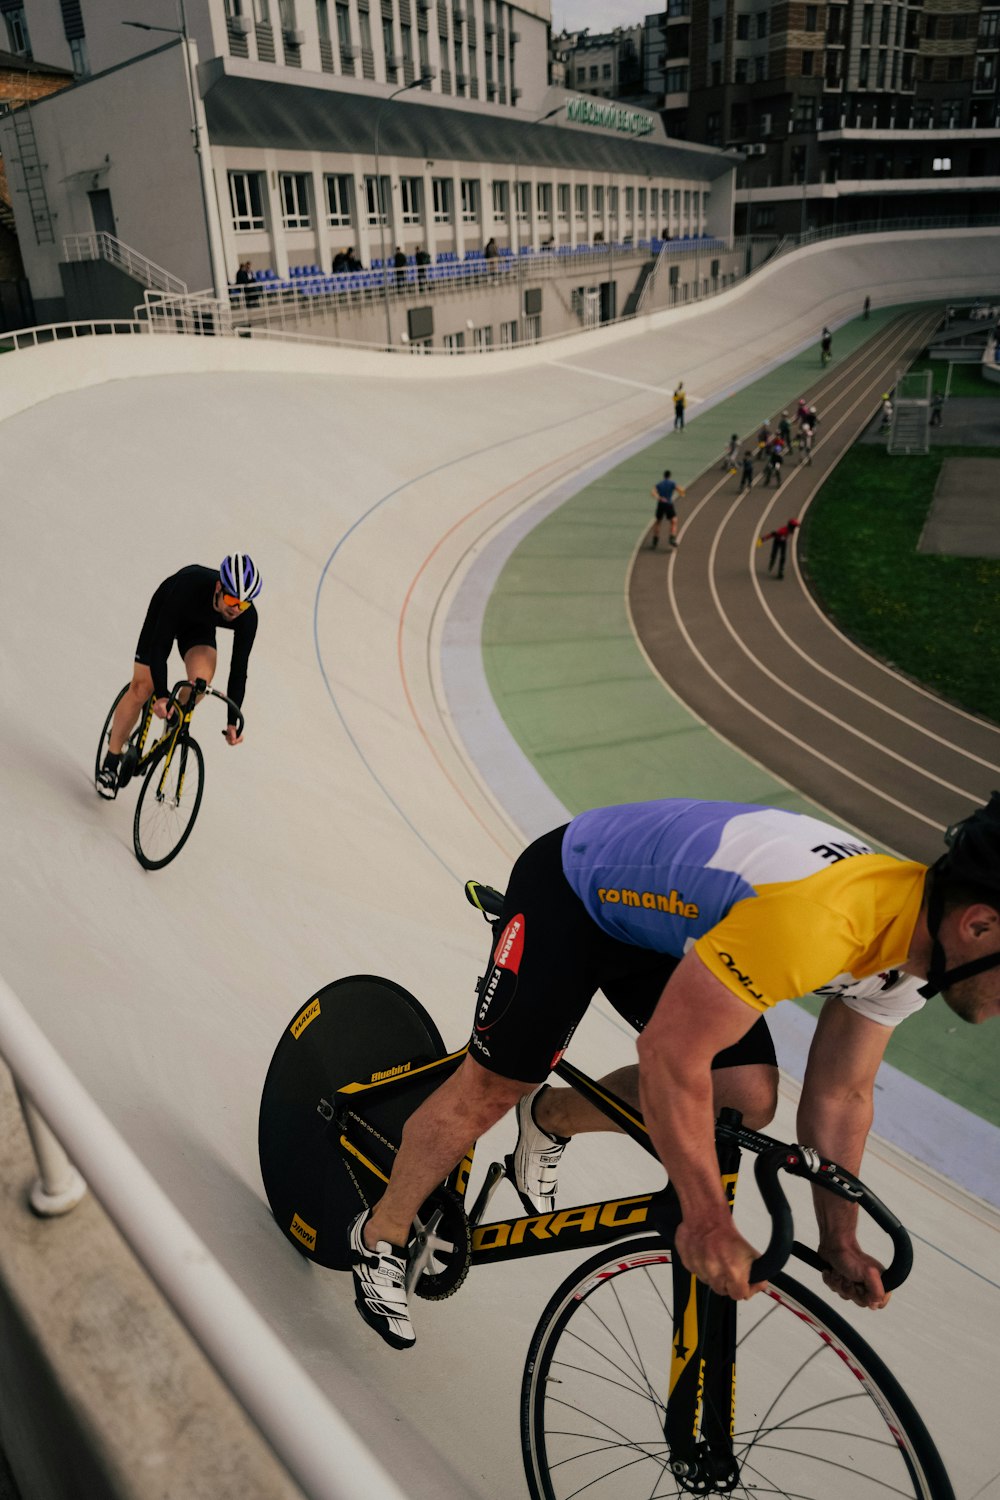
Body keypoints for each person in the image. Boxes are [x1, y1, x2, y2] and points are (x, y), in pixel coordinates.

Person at [349, 794, 1000, 1349]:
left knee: (743, 1095)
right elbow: (670, 1056)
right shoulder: (822, 923)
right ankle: (381, 1231)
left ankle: (547, 1119)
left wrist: (840, 1236)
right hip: (575, 892)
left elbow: (842, 1092)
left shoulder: (914, 949)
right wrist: (706, 1219)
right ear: (978, 924)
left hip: (671, 926)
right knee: (495, 1084)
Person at [95, 555, 262, 799]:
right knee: (143, 688)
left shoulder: (247, 617)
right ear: (219, 587)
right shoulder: (187, 587)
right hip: (167, 611)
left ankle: (173, 721)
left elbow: (239, 669)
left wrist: (232, 722)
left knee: (200, 686)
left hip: (198, 629)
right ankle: (111, 762)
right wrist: (161, 695)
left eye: (244, 604)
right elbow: (160, 646)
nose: (236, 608)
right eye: (231, 599)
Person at [649, 469, 685, 549]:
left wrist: (659, 498)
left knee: (658, 522)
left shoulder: (659, 484)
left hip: (661, 504)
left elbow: (653, 493)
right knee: (674, 520)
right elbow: (680, 490)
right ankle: (672, 538)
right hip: (668, 504)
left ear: (664, 476)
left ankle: (655, 540)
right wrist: (682, 493)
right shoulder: (672, 483)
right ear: (670, 476)